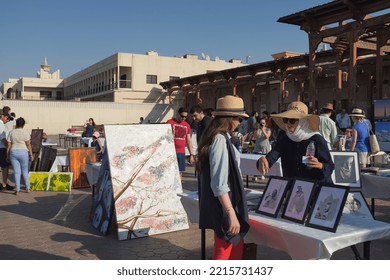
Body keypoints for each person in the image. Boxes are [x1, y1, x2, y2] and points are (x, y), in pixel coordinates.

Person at [197, 95, 250, 260]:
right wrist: (231, 213)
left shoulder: (219, 137)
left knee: (231, 247)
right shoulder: (220, 139)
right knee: (225, 250)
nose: (240, 122)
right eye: (238, 118)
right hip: (225, 203)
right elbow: (219, 183)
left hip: (224, 201)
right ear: (229, 119)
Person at [257, 101, 334, 183]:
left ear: (303, 121)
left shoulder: (317, 139)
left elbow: (330, 166)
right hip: (294, 188)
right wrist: (263, 160)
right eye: (286, 120)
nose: (289, 124)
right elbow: (272, 157)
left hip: (316, 188)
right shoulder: (285, 139)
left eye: (292, 120)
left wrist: (320, 165)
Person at [6, 117, 33, 195]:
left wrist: (7, 155)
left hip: (13, 152)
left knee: (17, 172)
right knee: (25, 171)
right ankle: (28, 188)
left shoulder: (11, 132)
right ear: (23, 124)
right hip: (23, 152)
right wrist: (31, 154)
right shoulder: (25, 132)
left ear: (16, 124)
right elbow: (28, 144)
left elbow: (8, 145)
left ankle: (17, 190)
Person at [167, 107, 195, 179]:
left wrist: (191, 154)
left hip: (181, 152)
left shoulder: (187, 125)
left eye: (185, 117)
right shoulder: (169, 122)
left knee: (180, 172)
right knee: (170, 171)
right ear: (178, 114)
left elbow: (188, 140)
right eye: (182, 116)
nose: (184, 118)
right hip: (171, 152)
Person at [0, 109, 12, 192]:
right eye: (7, 118)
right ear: (2, 116)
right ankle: (4, 184)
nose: (7, 120)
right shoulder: (0, 125)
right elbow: (2, 138)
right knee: (5, 166)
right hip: (2, 148)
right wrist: (9, 146)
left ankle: (4, 184)